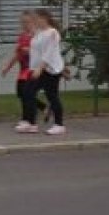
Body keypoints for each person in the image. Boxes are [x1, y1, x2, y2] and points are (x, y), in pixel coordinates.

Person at [0, 11, 43, 133]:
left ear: (33, 22)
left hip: (33, 70)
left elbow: (42, 53)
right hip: (23, 70)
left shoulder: (37, 36)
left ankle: (31, 121)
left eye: (27, 22)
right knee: (21, 94)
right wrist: (7, 66)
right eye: (22, 22)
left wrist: (28, 50)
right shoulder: (22, 37)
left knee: (28, 94)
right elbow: (17, 54)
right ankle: (26, 118)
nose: (25, 25)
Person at [26, 8, 67, 136]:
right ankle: (32, 123)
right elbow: (36, 50)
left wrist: (40, 68)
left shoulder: (52, 33)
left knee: (52, 96)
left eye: (37, 19)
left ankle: (59, 125)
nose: (35, 21)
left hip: (50, 70)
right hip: (38, 69)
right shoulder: (39, 33)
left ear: (44, 18)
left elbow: (49, 52)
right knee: (27, 92)